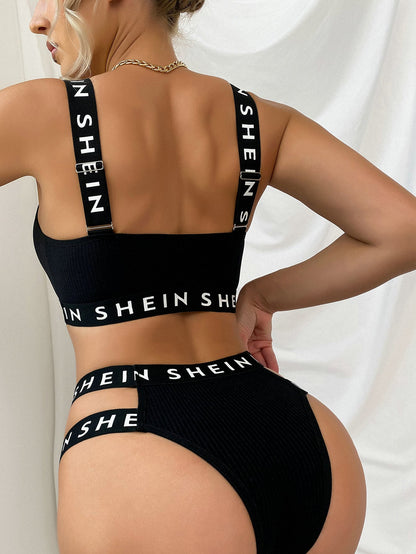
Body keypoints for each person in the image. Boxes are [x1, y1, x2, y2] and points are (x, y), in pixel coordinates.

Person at [2, 0, 414, 552]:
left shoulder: (39, 112)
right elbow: (403, 229)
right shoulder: (260, 120)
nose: (35, 20)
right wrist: (261, 297)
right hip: (303, 446)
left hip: (141, 458)